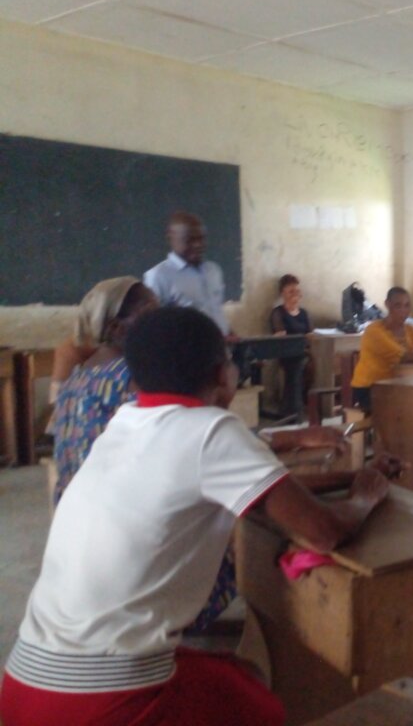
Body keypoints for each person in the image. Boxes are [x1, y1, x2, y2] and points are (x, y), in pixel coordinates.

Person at [0, 306, 390, 726]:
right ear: (225, 375)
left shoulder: (125, 423)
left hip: (25, 685)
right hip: (98, 700)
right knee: (263, 710)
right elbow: (325, 532)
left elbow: (246, 487)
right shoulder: (212, 431)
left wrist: (329, 468)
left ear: (134, 379)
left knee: (238, 676)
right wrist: (364, 495)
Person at [51, 276, 157, 506]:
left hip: (71, 512)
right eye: (151, 315)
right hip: (115, 511)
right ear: (116, 328)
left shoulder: (76, 377)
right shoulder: (132, 376)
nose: (161, 323)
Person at [144, 210, 232, 337]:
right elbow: (152, 325)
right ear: (170, 239)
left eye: (201, 239)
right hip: (185, 352)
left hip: (219, 347)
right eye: (189, 240)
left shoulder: (213, 270)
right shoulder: (158, 276)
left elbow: (215, 311)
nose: (198, 245)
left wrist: (229, 332)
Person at [269, 274, 313, 418]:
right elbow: (280, 336)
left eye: (296, 291)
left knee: (317, 363)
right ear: (283, 294)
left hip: (305, 351)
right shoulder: (278, 312)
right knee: (295, 365)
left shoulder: (304, 313)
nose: (295, 294)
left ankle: (297, 408)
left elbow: (310, 335)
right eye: (290, 291)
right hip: (286, 352)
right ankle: (294, 411)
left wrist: (307, 341)